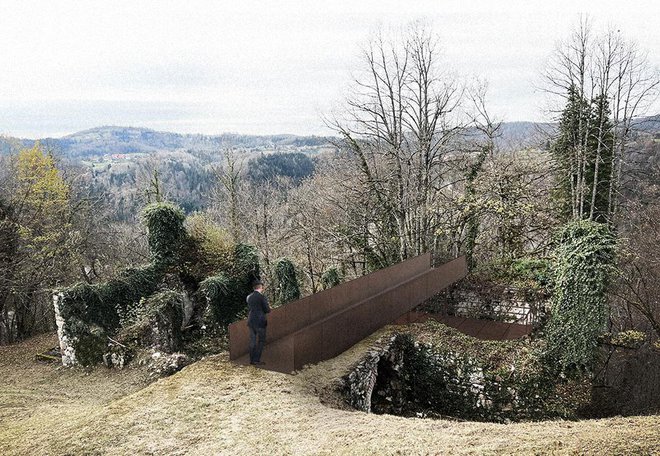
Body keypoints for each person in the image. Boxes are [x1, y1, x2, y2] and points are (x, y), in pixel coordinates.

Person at [246, 280, 271, 365]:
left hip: (251, 321)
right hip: (260, 321)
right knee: (261, 341)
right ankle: (256, 360)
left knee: (252, 341)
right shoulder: (262, 297)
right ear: (260, 287)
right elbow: (267, 310)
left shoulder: (248, 297)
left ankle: (251, 360)